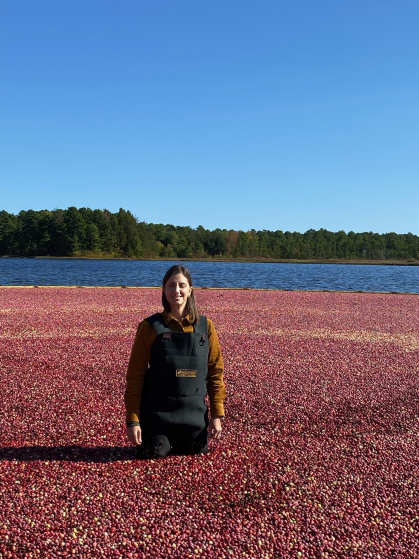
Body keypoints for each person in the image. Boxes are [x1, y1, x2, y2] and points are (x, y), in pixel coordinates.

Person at [125, 265, 226, 458]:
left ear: (190, 289)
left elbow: (215, 372)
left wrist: (216, 415)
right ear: (163, 290)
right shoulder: (149, 327)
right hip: (158, 413)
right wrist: (133, 421)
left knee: (195, 452)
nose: (176, 290)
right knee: (155, 452)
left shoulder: (206, 326)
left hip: (194, 415)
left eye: (182, 285)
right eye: (171, 285)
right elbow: (135, 376)